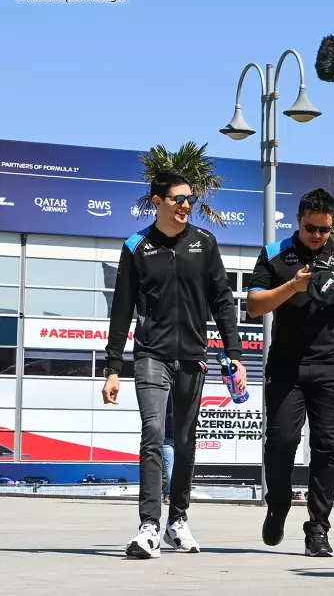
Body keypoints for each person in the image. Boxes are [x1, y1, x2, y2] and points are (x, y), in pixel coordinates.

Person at [102, 170, 246, 559]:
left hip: (193, 358)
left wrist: (235, 354)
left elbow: (222, 302)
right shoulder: (136, 246)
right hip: (150, 355)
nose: (186, 206)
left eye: (190, 200)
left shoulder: (205, 243)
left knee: (184, 443)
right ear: (158, 202)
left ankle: (176, 521)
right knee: (152, 434)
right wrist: (113, 367)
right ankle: (149, 525)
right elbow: (121, 309)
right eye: (179, 199)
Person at [246, 188, 334, 557]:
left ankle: (317, 528)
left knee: (327, 448)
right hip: (286, 367)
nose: (318, 235)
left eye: (325, 229)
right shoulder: (275, 254)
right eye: (311, 228)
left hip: (332, 366)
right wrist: (292, 285)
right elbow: (254, 306)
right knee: (282, 442)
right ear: (298, 220)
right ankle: (279, 504)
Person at [162, 396, 174, 504]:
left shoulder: (164, 406)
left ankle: (167, 494)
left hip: (166, 439)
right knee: (171, 469)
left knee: (169, 468)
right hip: (179, 440)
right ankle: (169, 494)